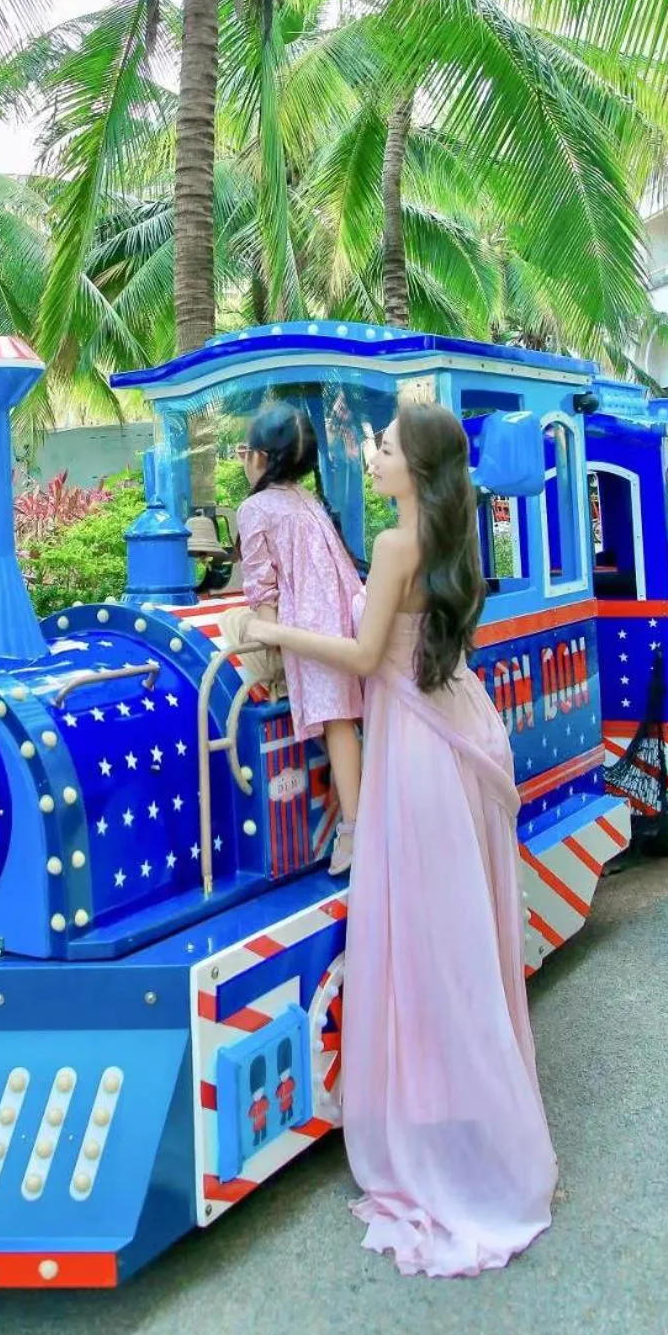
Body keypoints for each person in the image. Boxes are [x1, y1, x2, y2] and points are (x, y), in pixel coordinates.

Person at [246, 401, 556, 1278]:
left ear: (412, 468)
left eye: (382, 446)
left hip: (417, 749)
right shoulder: (454, 538)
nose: (370, 455)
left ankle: (433, 1133)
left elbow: (358, 654)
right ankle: (480, 1122)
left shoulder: (393, 546)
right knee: (463, 938)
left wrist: (268, 628)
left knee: (419, 936)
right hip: (462, 725)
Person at [235, 402, 364, 873]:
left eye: (244, 451)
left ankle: (354, 830)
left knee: (336, 720)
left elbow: (260, 581)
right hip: (339, 610)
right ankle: (358, 822)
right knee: (345, 720)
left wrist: (266, 639)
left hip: (311, 621)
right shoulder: (307, 501)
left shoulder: (256, 508)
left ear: (262, 459)